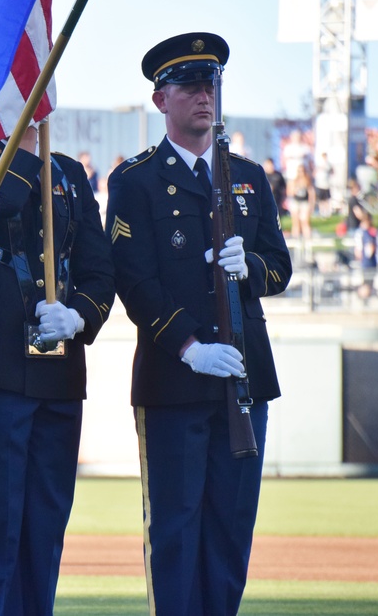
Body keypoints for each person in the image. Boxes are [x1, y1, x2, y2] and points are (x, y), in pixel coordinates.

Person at [104, 32, 292, 615]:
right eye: (187, 85)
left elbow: (280, 269)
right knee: (176, 531)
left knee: (231, 533)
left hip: (243, 378)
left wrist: (251, 265)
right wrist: (188, 346)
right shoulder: (134, 181)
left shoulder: (247, 176)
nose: (202, 96)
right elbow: (135, 282)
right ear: (161, 100)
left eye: (209, 83)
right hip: (174, 381)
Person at [0, 128, 116, 616]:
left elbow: (99, 269)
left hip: (60, 366)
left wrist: (78, 314)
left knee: (47, 522)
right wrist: (26, 150)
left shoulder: (71, 172)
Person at [288, 162, 315, 242]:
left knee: (305, 222)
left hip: (304, 203)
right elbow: (290, 192)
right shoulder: (294, 181)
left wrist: (311, 205)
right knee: (295, 222)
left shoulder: (307, 180)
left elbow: (311, 193)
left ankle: (307, 240)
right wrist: (295, 190)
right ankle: (295, 240)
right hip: (296, 202)